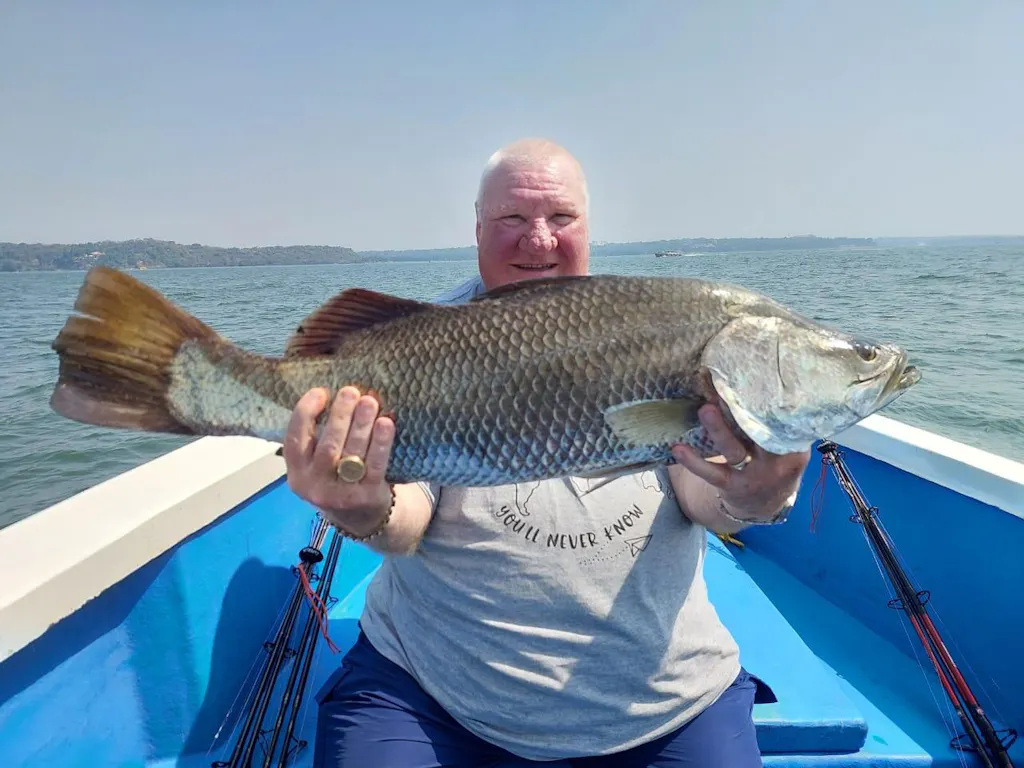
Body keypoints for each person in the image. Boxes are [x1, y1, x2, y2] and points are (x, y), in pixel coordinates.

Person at [283, 138, 810, 767]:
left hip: (661, 700)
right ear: (478, 228)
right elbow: (407, 519)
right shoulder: (423, 345)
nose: (538, 239)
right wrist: (362, 509)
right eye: (512, 217)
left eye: (561, 217)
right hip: (433, 693)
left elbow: (702, 494)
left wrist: (755, 494)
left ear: (587, 226)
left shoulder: (661, 330)